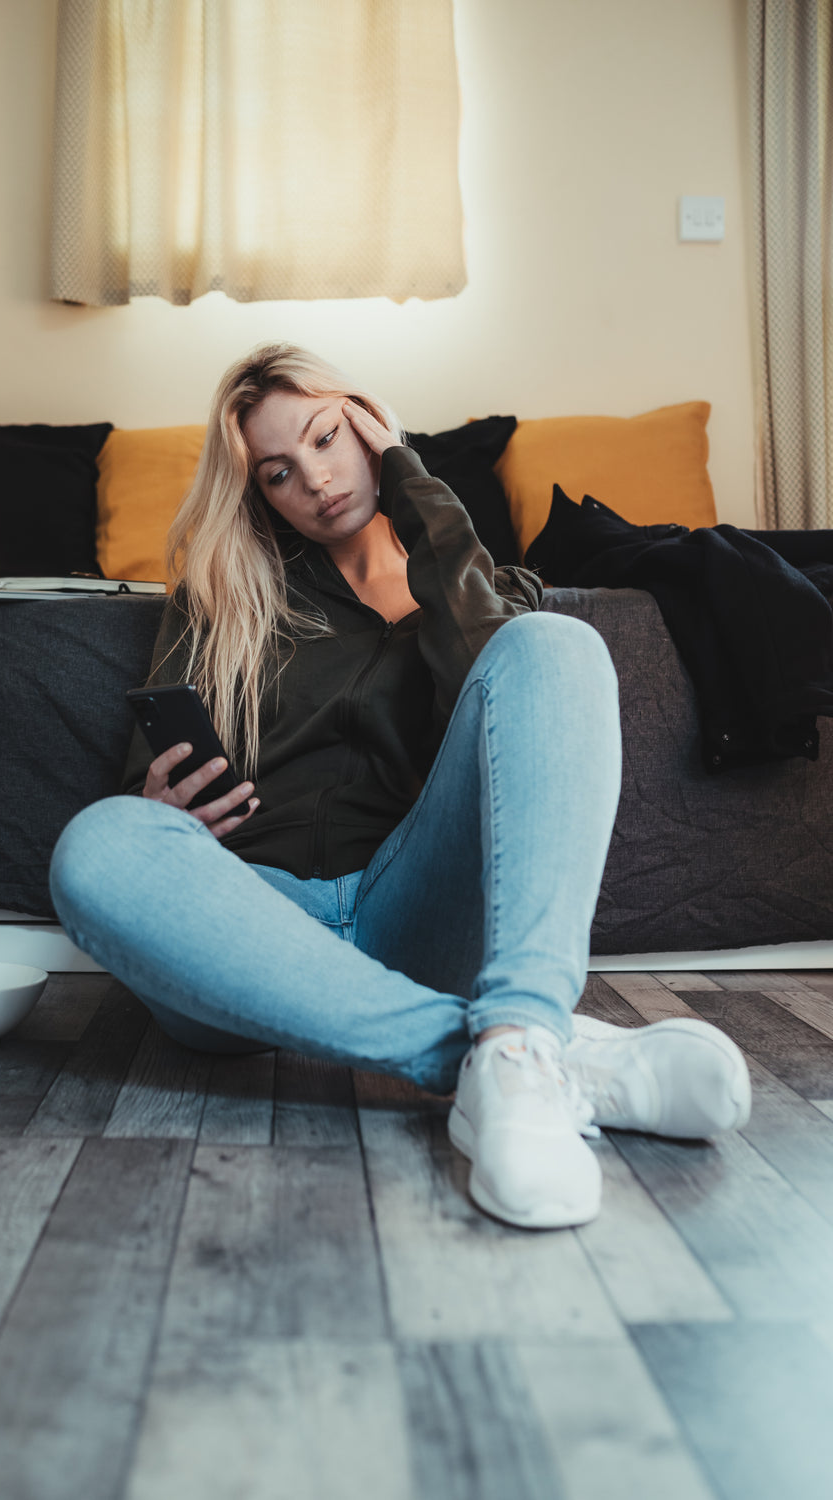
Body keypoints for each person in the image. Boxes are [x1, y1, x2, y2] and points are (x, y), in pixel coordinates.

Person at [50, 343, 751, 1231]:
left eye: (327, 438)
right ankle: (520, 1052)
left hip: (415, 909)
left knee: (556, 645)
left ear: (368, 425)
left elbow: (495, 686)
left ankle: (519, 1030)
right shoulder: (223, 597)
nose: (316, 480)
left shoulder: (484, 588)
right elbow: (141, 810)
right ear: (259, 495)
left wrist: (417, 488)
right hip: (256, 933)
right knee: (97, 843)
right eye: (278, 472)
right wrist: (154, 809)